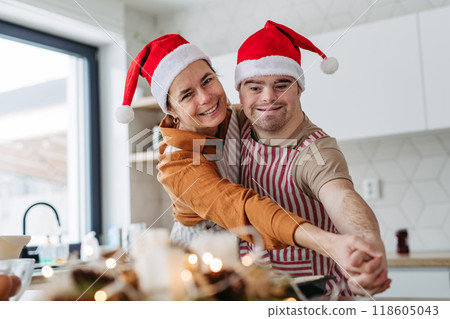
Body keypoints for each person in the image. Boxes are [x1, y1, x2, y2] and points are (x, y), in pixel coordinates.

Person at [117, 34, 386, 297]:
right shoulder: (178, 164)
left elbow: (340, 196)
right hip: (201, 279)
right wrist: (329, 243)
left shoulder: (241, 120)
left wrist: (368, 242)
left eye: (208, 80)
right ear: (171, 110)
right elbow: (243, 207)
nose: (206, 98)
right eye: (187, 94)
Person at [234, 20, 390, 296]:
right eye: (255, 87)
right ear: (240, 92)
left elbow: (341, 197)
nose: (268, 97)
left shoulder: (316, 150)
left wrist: (367, 242)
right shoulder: (236, 126)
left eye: (282, 85)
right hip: (255, 296)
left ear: (299, 89)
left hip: (317, 298)